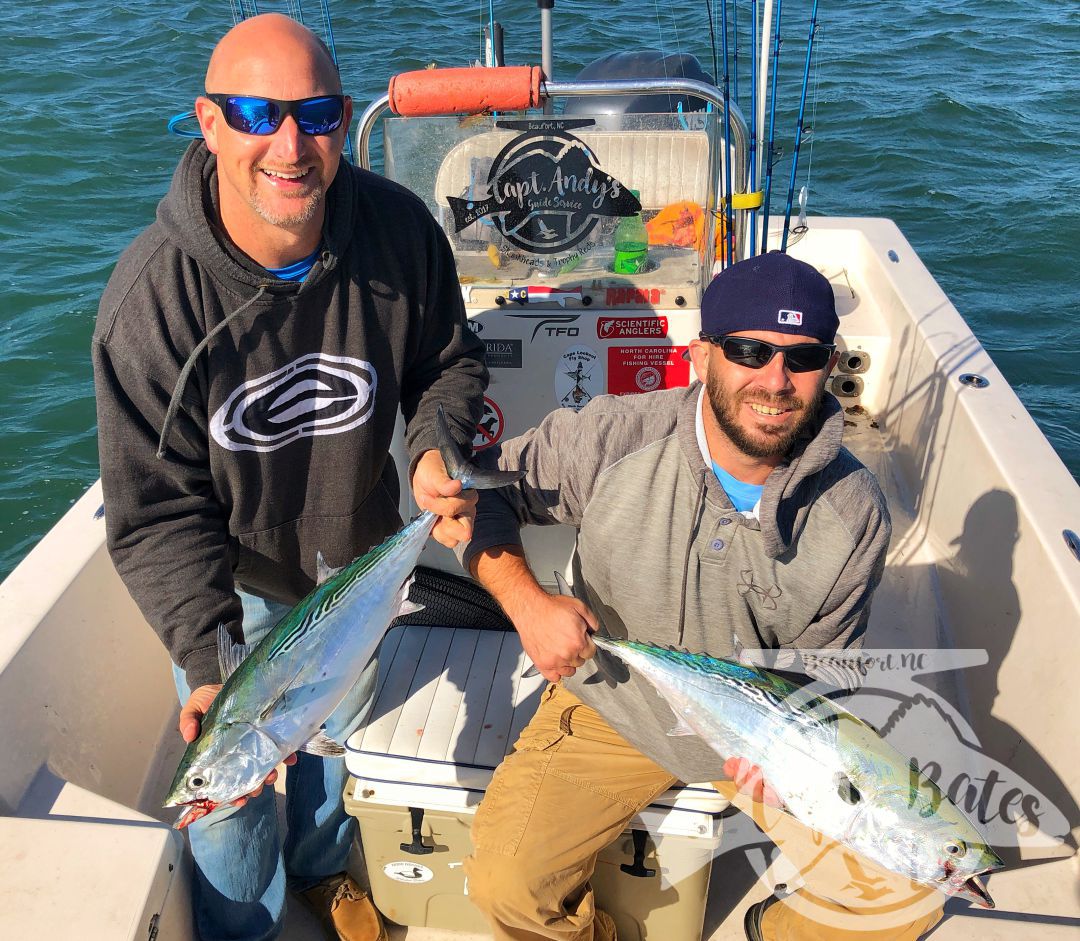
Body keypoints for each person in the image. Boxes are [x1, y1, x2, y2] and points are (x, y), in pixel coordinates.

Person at [92, 14, 486, 941]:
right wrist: (203, 658)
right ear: (209, 122)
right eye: (256, 113)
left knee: (335, 755)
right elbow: (154, 516)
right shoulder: (151, 305)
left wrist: (433, 445)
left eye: (315, 114)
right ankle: (245, 929)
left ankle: (318, 876)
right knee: (227, 824)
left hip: (358, 558)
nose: (289, 144)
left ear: (345, 121)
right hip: (236, 594)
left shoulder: (396, 232)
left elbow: (449, 360)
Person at [459, 252, 946, 940]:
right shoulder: (613, 435)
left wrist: (789, 749)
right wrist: (529, 602)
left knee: (911, 892)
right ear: (703, 354)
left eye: (802, 357)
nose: (775, 380)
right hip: (614, 698)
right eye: (749, 350)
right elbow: (477, 492)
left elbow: (826, 667)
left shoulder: (854, 507)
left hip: (760, 728)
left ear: (829, 363)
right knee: (506, 886)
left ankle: (774, 929)